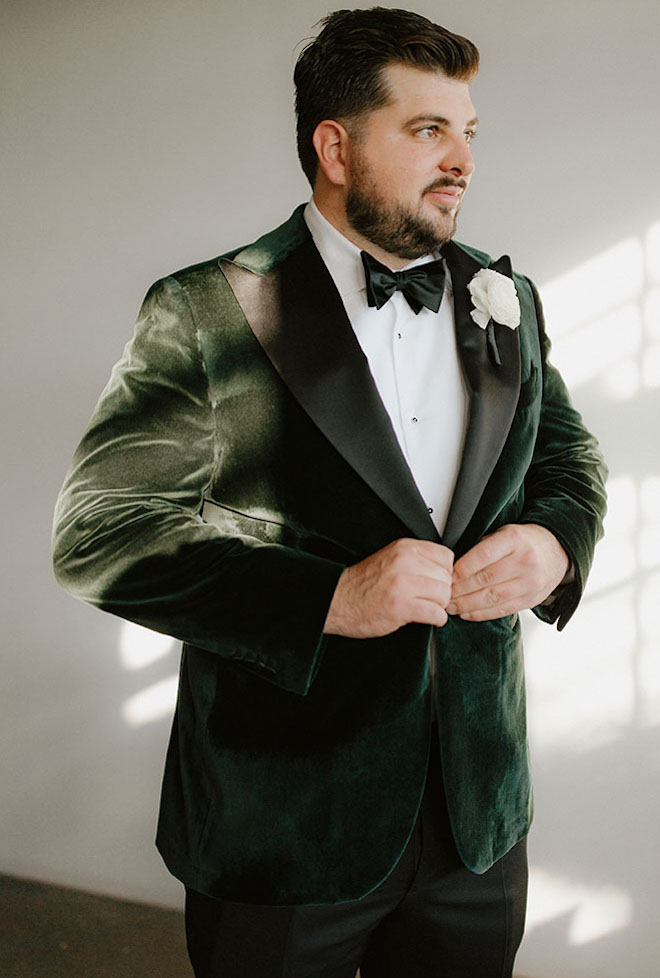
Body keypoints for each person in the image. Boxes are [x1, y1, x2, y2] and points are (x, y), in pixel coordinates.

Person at [52, 7, 607, 977]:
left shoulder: (504, 300)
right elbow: (102, 534)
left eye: (468, 132)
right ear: (335, 146)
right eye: (428, 130)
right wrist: (331, 600)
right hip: (281, 831)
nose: (462, 160)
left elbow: (568, 460)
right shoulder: (205, 309)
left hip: (476, 826)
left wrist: (555, 543)